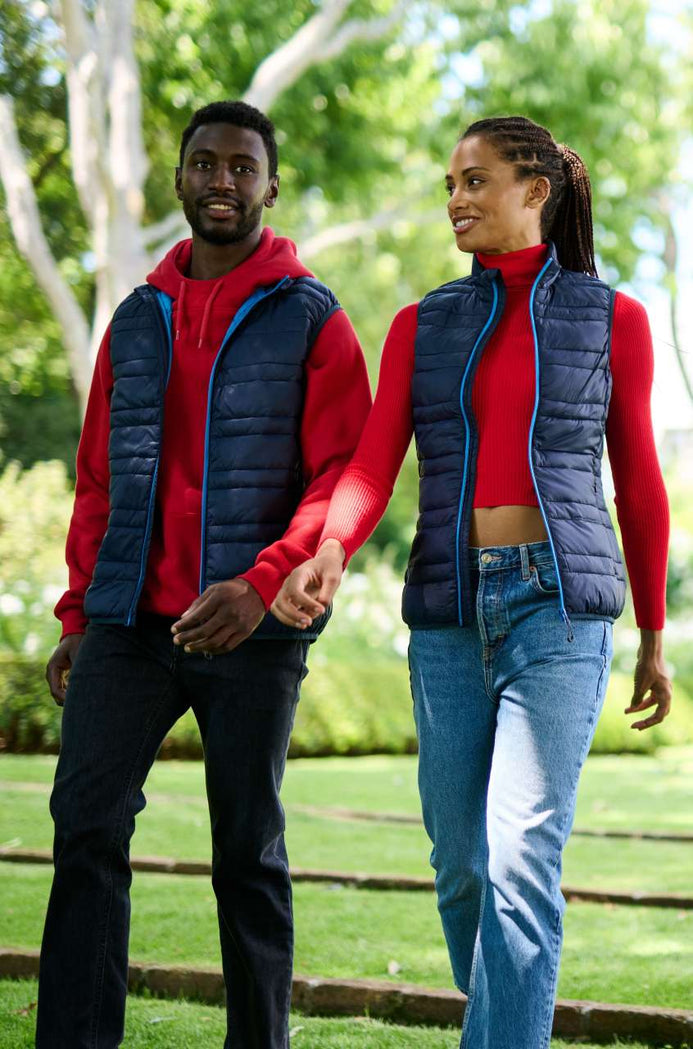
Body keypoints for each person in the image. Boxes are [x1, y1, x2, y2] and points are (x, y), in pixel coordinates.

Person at [271, 115, 673, 1049]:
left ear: (535, 191)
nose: (455, 198)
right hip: (449, 611)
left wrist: (652, 634)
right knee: (460, 865)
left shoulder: (612, 319)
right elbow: (373, 463)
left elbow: (638, 479)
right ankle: (500, 1014)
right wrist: (328, 549)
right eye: (449, 184)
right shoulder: (421, 324)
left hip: (558, 606)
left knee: (521, 857)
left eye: (475, 180)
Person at [38, 99, 371, 1049]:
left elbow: (339, 472)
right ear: (180, 178)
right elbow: (99, 477)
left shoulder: (311, 316)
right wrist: (79, 614)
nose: (222, 180)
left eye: (241, 167)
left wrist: (263, 583)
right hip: (130, 625)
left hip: (251, 629)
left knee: (246, 854)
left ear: (271, 186)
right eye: (205, 163)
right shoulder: (135, 318)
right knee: (85, 828)